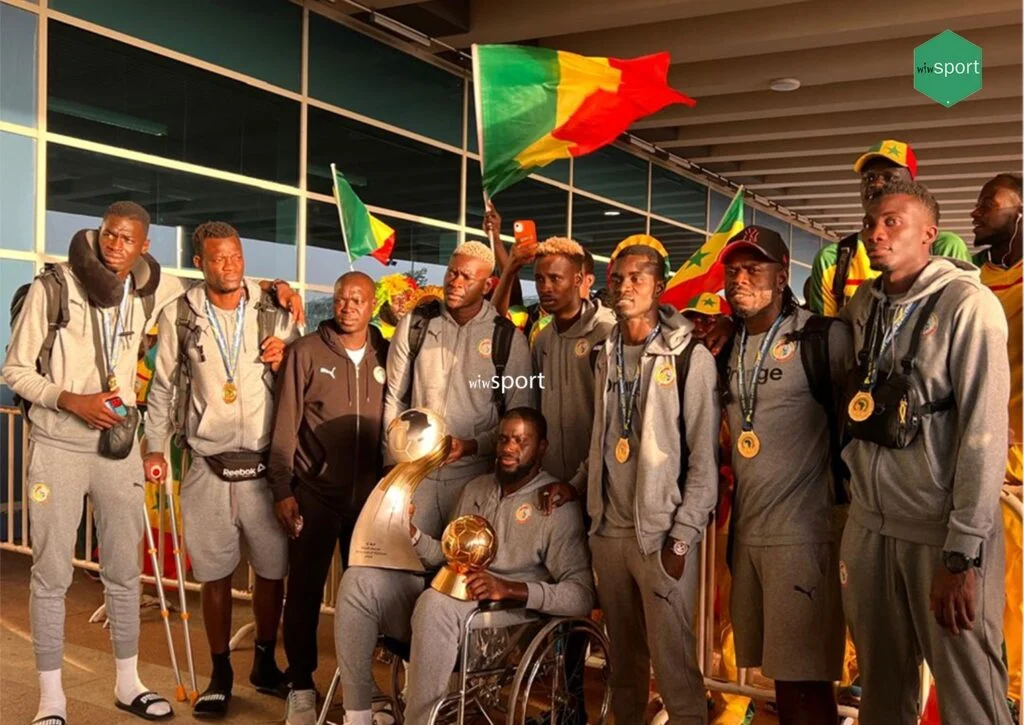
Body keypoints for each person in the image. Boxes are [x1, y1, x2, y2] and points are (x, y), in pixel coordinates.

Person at [335, 241, 534, 725]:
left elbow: (521, 415)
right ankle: (376, 703)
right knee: (397, 578)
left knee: (452, 590)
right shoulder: (418, 324)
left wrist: (476, 446)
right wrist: (395, 466)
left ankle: (440, 701)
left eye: (467, 276)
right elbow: (394, 399)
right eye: (451, 272)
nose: (454, 281)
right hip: (414, 481)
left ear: (488, 283)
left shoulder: (510, 340)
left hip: (475, 484)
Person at [837, 182, 1012, 724]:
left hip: (939, 534)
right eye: (871, 224)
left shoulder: (969, 305)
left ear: (930, 234)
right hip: (870, 527)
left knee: (968, 696)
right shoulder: (863, 304)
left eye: (893, 222)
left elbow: (984, 430)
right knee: (883, 694)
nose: (876, 233)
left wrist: (962, 553)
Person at [4, 202, 184, 724]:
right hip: (58, 446)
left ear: (143, 246)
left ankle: (129, 684)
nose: (115, 245)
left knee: (126, 572)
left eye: (127, 239)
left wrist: (276, 302)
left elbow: (210, 298)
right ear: (98, 234)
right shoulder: (54, 287)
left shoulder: (152, 289)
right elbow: (14, 369)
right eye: (109, 235)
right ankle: (52, 700)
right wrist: (69, 399)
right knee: (52, 572)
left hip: (117, 451)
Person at [143, 221, 298, 718]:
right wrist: (153, 448)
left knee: (273, 573)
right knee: (214, 575)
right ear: (199, 263)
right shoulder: (179, 315)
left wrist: (286, 353)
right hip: (208, 466)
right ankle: (220, 673)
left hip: (264, 468)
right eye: (218, 258)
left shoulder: (276, 308)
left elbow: (301, 372)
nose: (228, 266)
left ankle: (264, 664)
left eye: (235, 256)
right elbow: (163, 386)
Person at [568, 235, 720, 724]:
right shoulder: (604, 354)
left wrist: (682, 537)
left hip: (659, 537)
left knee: (674, 666)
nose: (623, 286)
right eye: (617, 277)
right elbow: (602, 443)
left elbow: (703, 459)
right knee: (624, 666)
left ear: (659, 286)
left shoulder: (689, 356)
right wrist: (572, 488)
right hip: (609, 533)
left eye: (636, 277)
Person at [719, 226, 851, 724]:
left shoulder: (822, 338)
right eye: (734, 271)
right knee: (779, 683)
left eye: (754, 270)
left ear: (781, 278)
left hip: (804, 537)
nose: (741, 279)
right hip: (749, 536)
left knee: (807, 684)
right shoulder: (729, 345)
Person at [403, 408, 596, 723]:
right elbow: (447, 555)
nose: (509, 448)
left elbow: (581, 595)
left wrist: (510, 588)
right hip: (464, 608)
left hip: (513, 622)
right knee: (395, 589)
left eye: (521, 441)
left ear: (542, 448)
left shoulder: (556, 506)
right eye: (505, 438)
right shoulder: (475, 489)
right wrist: (410, 534)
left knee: (433, 606)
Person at [269, 272, 389, 725]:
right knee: (302, 593)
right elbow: (284, 425)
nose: (348, 306)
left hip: (369, 502)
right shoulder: (306, 353)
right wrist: (283, 488)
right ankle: (301, 685)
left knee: (364, 598)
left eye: (358, 299)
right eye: (341, 299)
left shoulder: (387, 352)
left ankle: (362, 686)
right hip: (315, 494)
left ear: (372, 304)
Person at [808, 140, 972, 316]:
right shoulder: (833, 260)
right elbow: (827, 334)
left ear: (911, 186)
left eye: (890, 178)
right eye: (869, 177)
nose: (876, 184)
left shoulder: (946, 247)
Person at [972, 172, 1023, 712]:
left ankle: (1012, 698)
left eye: (990, 202)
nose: (976, 211)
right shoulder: (968, 280)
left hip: (1016, 475)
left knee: (1015, 597)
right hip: (970, 464)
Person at [524, 237, 616, 486]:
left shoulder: (608, 333)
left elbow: (614, 421)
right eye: (540, 279)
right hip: (551, 480)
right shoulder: (542, 340)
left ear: (578, 280)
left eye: (555, 278)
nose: (545, 287)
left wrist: (581, 481)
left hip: (600, 482)